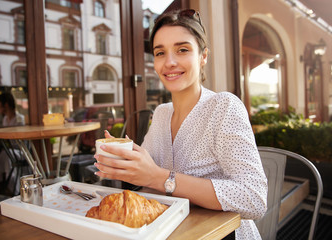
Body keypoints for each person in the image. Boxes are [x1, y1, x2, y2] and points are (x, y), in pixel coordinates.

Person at [93, 9, 267, 240]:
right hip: (170, 232)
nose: (170, 62)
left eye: (182, 49)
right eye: (160, 53)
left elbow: (253, 199)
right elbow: (148, 181)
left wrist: (159, 177)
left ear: (203, 56)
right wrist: (126, 163)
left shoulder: (224, 107)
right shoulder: (162, 113)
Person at [0, 92, 26, 195]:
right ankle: (0, 185)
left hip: (20, 151)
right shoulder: (5, 119)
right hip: (9, 150)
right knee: (2, 157)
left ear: (5, 104)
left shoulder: (19, 119)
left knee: (5, 156)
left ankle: (11, 188)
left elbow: (20, 140)